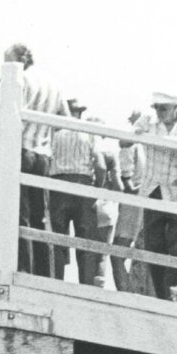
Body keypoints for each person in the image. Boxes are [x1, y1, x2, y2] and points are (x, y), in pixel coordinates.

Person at [3, 42, 68, 277]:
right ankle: (43, 272)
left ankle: (24, 269)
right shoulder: (54, 84)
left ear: (19, 60)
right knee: (41, 217)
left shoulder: (20, 79)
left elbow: (13, 116)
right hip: (43, 154)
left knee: (21, 215)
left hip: (22, 150)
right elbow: (64, 120)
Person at [133, 93, 177, 298]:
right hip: (154, 189)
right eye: (157, 108)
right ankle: (163, 294)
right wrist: (135, 131)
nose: (159, 112)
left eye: (163, 108)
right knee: (154, 246)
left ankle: (171, 291)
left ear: (175, 107)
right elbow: (124, 142)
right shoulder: (147, 122)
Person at [49, 97, 118, 286]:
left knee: (58, 237)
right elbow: (101, 165)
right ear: (80, 113)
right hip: (83, 184)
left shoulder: (54, 132)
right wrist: (96, 189)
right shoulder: (89, 133)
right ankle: (85, 284)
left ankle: (56, 283)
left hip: (58, 184)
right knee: (86, 239)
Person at [111, 110, 152, 295]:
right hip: (148, 199)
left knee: (118, 252)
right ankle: (138, 292)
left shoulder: (132, 143)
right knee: (143, 252)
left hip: (134, 201)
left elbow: (126, 180)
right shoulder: (151, 144)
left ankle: (126, 291)